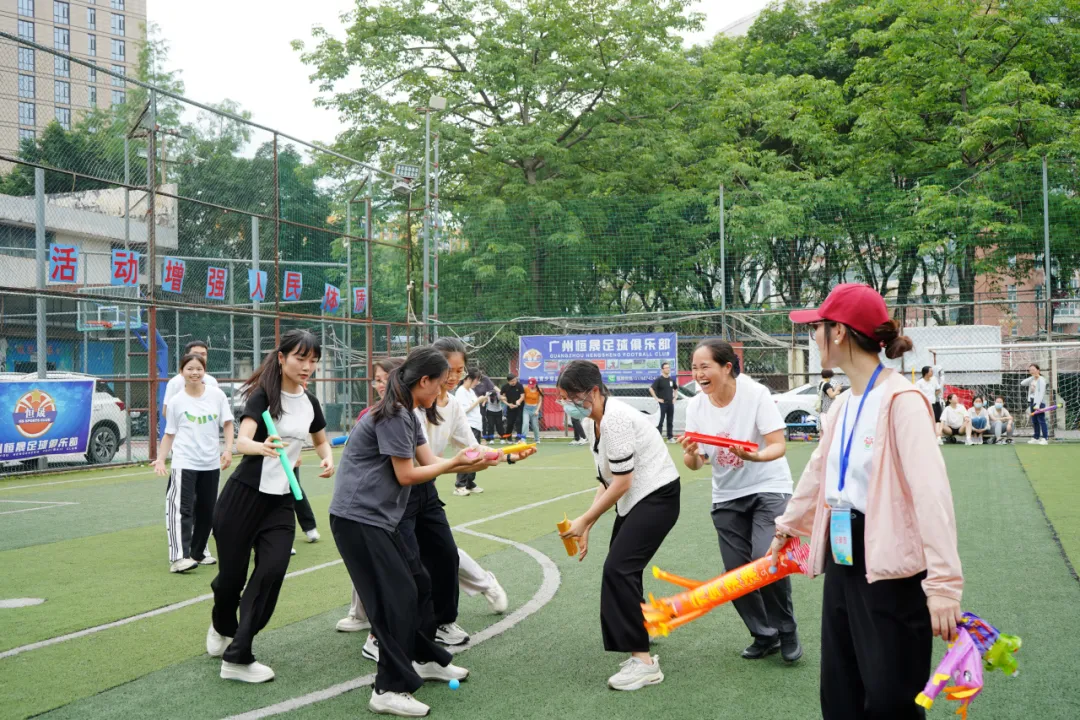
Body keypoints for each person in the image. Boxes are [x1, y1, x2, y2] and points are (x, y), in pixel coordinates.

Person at [773, 282, 963, 720]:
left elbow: (932, 496)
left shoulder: (903, 400)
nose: (813, 337)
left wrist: (944, 587)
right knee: (840, 687)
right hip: (844, 555)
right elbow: (819, 473)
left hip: (891, 563)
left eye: (816, 328)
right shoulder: (841, 405)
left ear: (837, 332)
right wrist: (788, 527)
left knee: (890, 695)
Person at [329, 346, 477, 717]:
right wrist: (457, 464)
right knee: (396, 597)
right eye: (440, 385)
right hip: (358, 519)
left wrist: (485, 460)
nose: (443, 392)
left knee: (419, 584)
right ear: (423, 381)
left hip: (382, 519)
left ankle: (425, 659)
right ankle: (388, 688)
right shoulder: (394, 415)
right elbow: (407, 474)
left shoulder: (410, 414)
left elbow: (433, 463)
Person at [207, 329, 335, 684]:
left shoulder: (311, 403)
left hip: (281, 503)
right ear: (282, 358)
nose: (308, 366)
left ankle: (238, 656)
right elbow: (241, 441)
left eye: (313, 360)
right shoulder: (265, 395)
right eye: (301, 358)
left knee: (271, 572)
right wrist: (262, 445)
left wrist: (326, 460)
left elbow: (321, 441)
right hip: (242, 498)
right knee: (230, 582)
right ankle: (221, 624)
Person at [556, 360, 681, 691]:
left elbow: (623, 482)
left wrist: (584, 520)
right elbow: (607, 480)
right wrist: (588, 524)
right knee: (623, 570)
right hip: (637, 499)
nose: (566, 403)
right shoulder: (595, 423)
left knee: (618, 569)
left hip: (657, 497)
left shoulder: (614, 420)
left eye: (570, 396)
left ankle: (644, 663)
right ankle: (640, 637)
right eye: (562, 397)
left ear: (593, 392)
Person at [680, 340, 801, 663]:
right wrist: (691, 455)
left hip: (768, 486)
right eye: (694, 368)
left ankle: (786, 629)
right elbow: (697, 462)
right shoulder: (696, 406)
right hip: (727, 495)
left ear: (727, 367)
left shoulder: (755, 394)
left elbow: (778, 444)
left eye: (705, 366)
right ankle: (765, 635)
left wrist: (756, 456)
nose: (698, 374)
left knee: (766, 559)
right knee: (735, 571)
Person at [337, 357, 405, 635]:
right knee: (374, 567)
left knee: (422, 565)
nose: (379, 384)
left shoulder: (409, 411)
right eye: (376, 379)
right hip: (371, 504)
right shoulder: (378, 414)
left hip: (399, 500)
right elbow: (405, 470)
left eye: (383, 378)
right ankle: (367, 622)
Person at [153, 353, 234, 573]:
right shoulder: (177, 401)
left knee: (208, 510)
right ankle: (179, 557)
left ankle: (198, 552)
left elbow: (227, 423)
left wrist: (228, 449)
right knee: (182, 509)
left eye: (199, 368)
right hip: (184, 462)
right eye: (189, 368)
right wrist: (161, 458)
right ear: (182, 372)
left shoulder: (217, 395)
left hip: (210, 463)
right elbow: (169, 433)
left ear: (204, 371)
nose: (194, 372)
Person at [162, 340, 219, 418]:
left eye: (203, 354)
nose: (200, 357)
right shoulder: (175, 382)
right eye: (195, 354)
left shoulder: (212, 382)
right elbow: (166, 412)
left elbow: (217, 409)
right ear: (186, 356)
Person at [454, 370, 487, 492]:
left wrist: (480, 400)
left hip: (476, 426)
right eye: (476, 379)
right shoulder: (461, 392)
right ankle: (460, 484)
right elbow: (463, 410)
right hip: (468, 426)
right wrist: (478, 401)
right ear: (468, 378)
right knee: (467, 454)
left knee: (475, 455)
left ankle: (469, 482)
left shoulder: (470, 391)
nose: (477, 382)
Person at [650, 362, 680, 443]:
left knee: (670, 420)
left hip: (670, 403)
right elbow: (651, 389)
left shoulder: (671, 380)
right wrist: (657, 399)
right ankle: (658, 438)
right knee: (660, 421)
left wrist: (675, 397)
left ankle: (670, 437)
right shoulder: (659, 380)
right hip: (662, 404)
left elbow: (676, 388)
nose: (668, 369)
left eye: (669, 368)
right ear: (662, 370)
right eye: (666, 368)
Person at [1022, 363, 1049, 445]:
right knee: (1034, 421)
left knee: (1041, 420)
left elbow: (1041, 393)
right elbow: (1022, 383)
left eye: (1034, 369)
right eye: (1030, 370)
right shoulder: (1032, 379)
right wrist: (1032, 377)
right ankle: (1036, 437)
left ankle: (1045, 438)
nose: (1032, 371)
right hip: (1032, 401)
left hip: (1039, 403)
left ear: (1038, 370)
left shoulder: (1041, 380)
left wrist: (1038, 404)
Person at [501, 373, 525, 441]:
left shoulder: (519, 385)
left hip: (519, 407)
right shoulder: (505, 387)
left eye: (515, 380)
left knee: (519, 421)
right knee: (510, 423)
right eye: (512, 381)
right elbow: (502, 397)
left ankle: (518, 437)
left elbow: (522, 396)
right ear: (508, 381)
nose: (514, 382)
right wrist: (508, 404)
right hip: (510, 407)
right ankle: (508, 437)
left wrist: (518, 402)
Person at [522, 377, 544, 443]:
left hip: (534, 409)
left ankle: (537, 438)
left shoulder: (539, 390)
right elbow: (523, 398)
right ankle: (523, 439)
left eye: (533, 385)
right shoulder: (525, 389)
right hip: (526, 409)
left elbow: (540, 401)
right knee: (525, 424)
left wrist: (537, 410)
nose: (531, 386)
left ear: (535, 384)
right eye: (530, 385)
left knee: (535, 425)